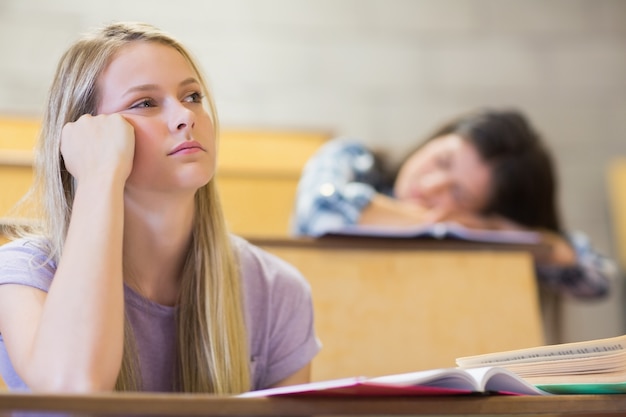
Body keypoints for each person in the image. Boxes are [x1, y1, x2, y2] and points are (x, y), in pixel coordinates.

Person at [0, 22, 320, 393]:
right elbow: (75, 389)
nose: (186, 116)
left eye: (193, 96)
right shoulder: (26, 273)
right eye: (146, 103)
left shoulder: (275, 290)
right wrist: (98, 175)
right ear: (88, 134)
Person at [292, 108, 617, 300]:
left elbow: (596, 277)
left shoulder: (474, 235)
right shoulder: (354, 159)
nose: (431, 185)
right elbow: (322, 211)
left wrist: (495, 230)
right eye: (442, 161)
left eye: (460, 195)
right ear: (437, 137)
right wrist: (437, 223)